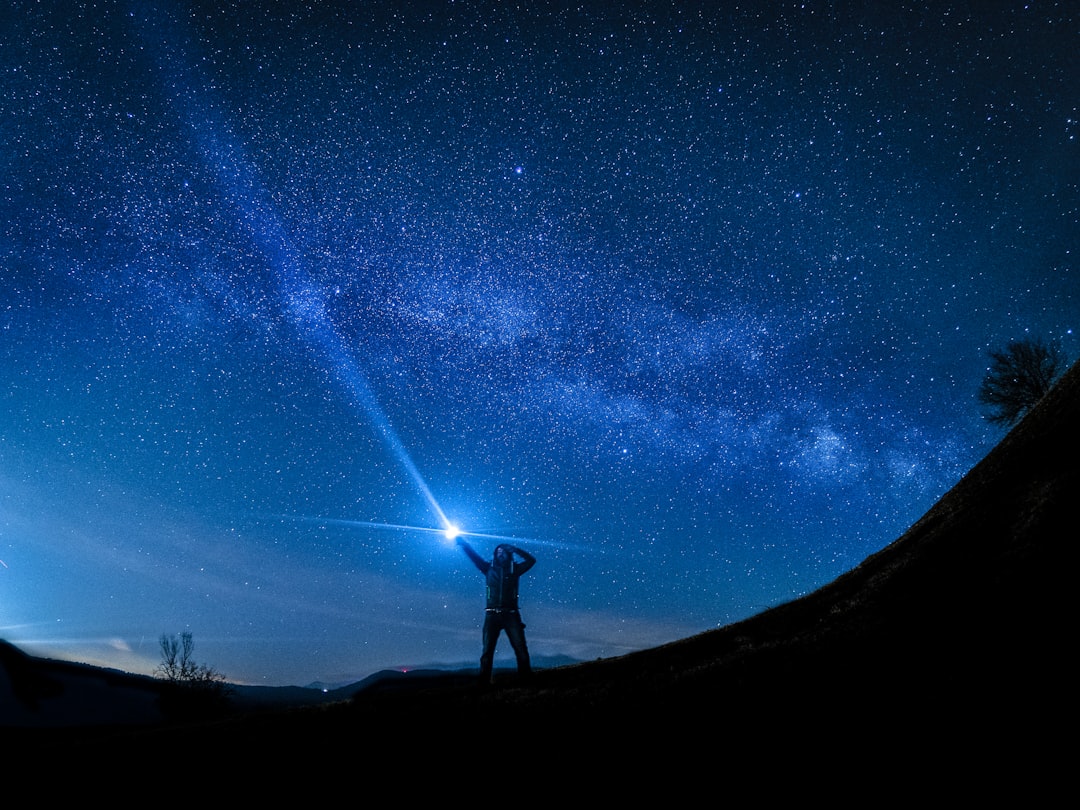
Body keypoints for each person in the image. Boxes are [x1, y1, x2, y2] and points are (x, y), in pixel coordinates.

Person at [456, 538, 536, 684]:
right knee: (487, 651)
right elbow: (474, 557)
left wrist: (516, 549)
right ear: (495, 554)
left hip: (511, 614)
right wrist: (465, 545)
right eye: (498, 551)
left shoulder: (515, 569)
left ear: (508, 554)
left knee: (520, 648)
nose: (500, 553)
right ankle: (484, 682)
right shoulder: (488, 568)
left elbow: (531, 560)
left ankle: (526, 680)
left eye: (503, 551)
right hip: (491, 614)